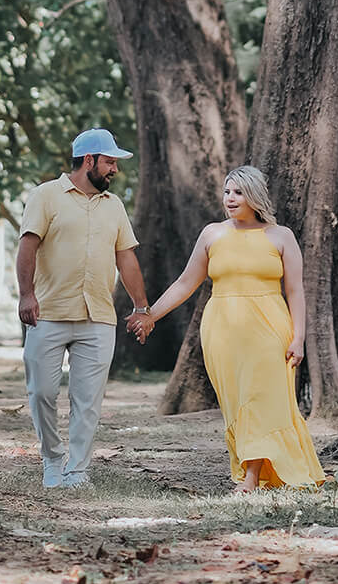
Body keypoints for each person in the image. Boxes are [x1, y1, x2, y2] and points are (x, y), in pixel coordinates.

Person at [128, 165, 325, 492]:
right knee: (238, 400)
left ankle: (250, 478)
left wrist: (299, 337)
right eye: (227, 191)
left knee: (262, 398)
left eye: (238, 192)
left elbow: (296, 291)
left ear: (255, 196)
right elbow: (184, 284)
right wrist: (150, 315)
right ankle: (257, 470)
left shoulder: (281, 236)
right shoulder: (212, 234)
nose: (230, 198)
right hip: (223, 330)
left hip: (270, 328)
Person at [16, 127, 150, 491]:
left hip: (98, 317)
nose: (114, 171)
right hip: (49, 312)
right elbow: (27, 246)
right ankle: (52, 461)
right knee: (42, 391)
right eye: (109, 162)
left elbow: (127, 258)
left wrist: (142, 307)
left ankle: (77, 471)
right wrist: (26, 295)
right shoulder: (46, 196)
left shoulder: (114, 206)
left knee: (87, 400)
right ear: (88, 160)